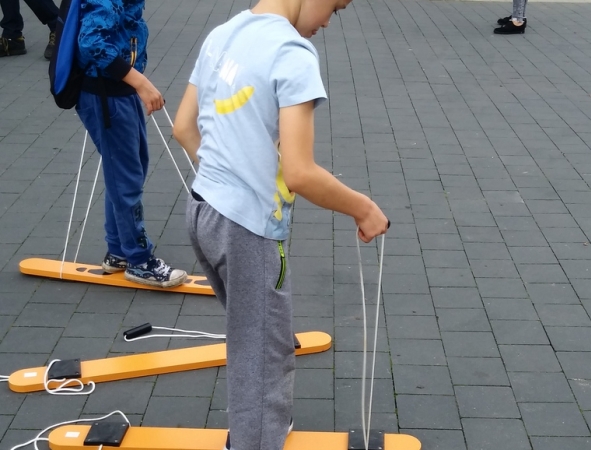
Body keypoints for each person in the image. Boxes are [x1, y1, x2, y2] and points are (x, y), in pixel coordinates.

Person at [172, 0, 389, 446]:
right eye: (336, 7)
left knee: (250, 333)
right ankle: (255, 439)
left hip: (202, 211)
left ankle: (262, 426)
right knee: (263, 354)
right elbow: (300, 173)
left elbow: (183, 128)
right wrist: (364, 209)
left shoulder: (223, 34)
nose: (328, 21)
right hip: (246, 233)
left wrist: (227, 180)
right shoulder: (292, 52)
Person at [75, 0, 188, 288]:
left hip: (119, 93)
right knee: (126, 178)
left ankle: (119, 251)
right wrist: (141, 83)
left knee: (128, 171)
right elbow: (91, 42)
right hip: (106, 96)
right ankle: (139, 260)